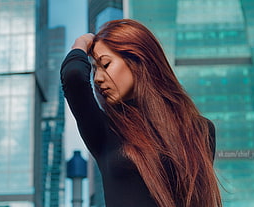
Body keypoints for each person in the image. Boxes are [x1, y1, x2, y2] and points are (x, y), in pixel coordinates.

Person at [60, 19, 222, 207]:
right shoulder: (104, 130)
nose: (97, 79)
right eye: (94, 69)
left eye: (105, 65)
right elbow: (74, 76)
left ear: (137, 59)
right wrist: (81, 42)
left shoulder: (199, 129)